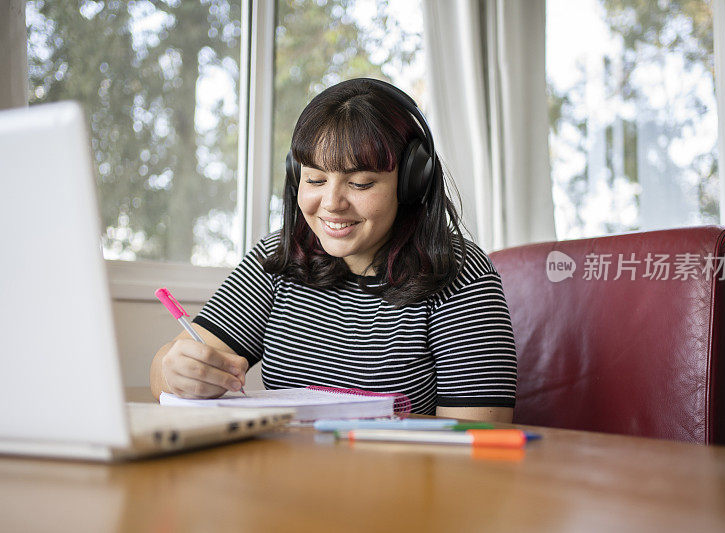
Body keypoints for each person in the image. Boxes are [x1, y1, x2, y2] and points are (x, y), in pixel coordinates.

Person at [149, 78, 517, 422]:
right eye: (315, 179)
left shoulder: (459, 272)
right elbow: (164, 370)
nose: (332, 203)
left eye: (359, 183)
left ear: (409, 183)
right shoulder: (280, 257)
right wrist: (174, 370)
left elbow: (476, 439)